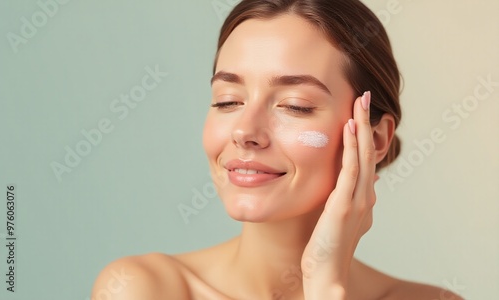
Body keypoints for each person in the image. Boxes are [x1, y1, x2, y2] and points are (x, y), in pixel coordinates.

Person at [92, 1, 463, 299]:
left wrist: (325, 286)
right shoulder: (142, 288)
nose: (245, 131)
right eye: (227, 101)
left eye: (295, 105)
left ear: (375, 140)